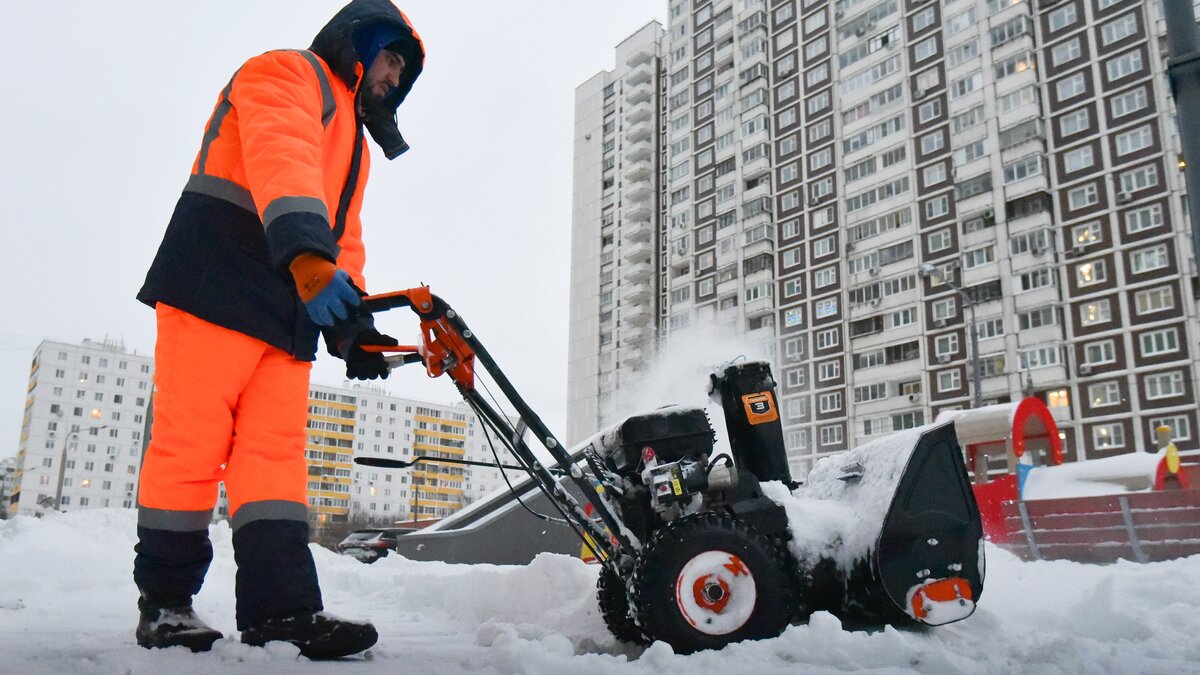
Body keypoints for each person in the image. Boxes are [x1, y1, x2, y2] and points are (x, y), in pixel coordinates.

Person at [132, 0, 424, 658]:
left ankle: (281, 611)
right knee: (191, 445)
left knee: (274, 463)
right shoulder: (288, 73)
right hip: (219, 280)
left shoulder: (354, 142)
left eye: (404, 71)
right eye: (391, 58)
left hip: (286, 305)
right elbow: (279, 155)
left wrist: (353, 327)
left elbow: (343, 238)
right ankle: (167, 604)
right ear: (361, 42)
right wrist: (308, 259)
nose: (395, 76)